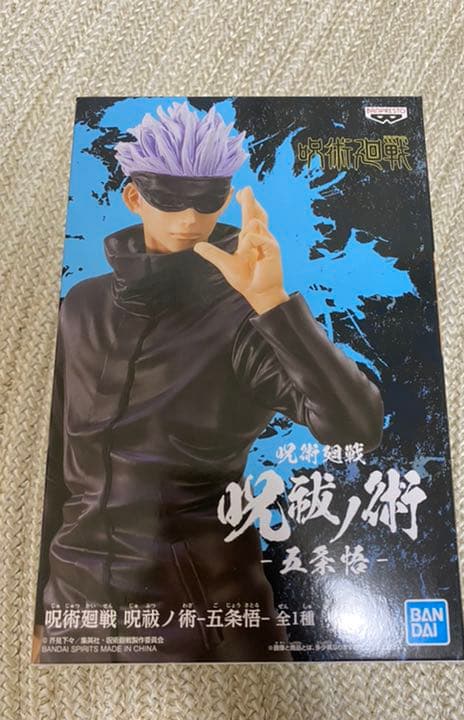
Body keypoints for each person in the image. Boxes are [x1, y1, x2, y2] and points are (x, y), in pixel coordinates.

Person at [33, 101, 384, 663]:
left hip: (206, 622)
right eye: (170, 198)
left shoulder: (244, 319)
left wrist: (271, 301)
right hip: (75, 614)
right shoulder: (81, 305)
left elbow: (355, 427)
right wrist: (38, 613)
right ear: (134, 197)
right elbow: (54, 461)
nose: (190, 217)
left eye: (207, 198)